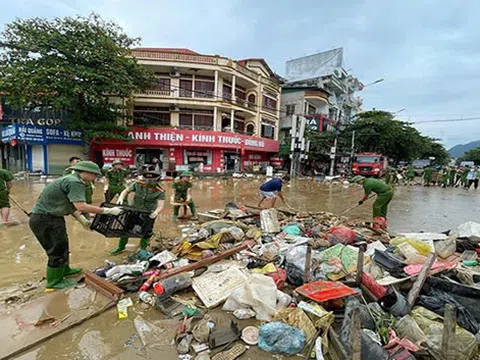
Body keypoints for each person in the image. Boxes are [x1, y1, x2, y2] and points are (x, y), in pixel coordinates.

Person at [29, 161, 124, 289]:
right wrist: (108, 211)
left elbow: (71, 206)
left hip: (51, 218)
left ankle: (65, 270)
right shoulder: (75, 182)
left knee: (63, 244)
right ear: (86, 173)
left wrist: (83, 220)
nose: (95, 178)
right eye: (94, 175)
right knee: (56, 250)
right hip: (45, 219)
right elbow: (81, 206)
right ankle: (54, 283)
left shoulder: (71, 179)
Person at [110, 171, 165, 255]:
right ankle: (121, 247)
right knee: (126, 228)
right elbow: (126, 191)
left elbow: (160, 205)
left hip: (148, 214)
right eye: (146, 180)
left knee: (147, 232)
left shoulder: (160, 191)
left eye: (151, 180)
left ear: (157, 180)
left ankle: (142, 249)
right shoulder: (137, 184)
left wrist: (156, 212)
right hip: (134, 210)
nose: (148, 182)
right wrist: (121, 197)